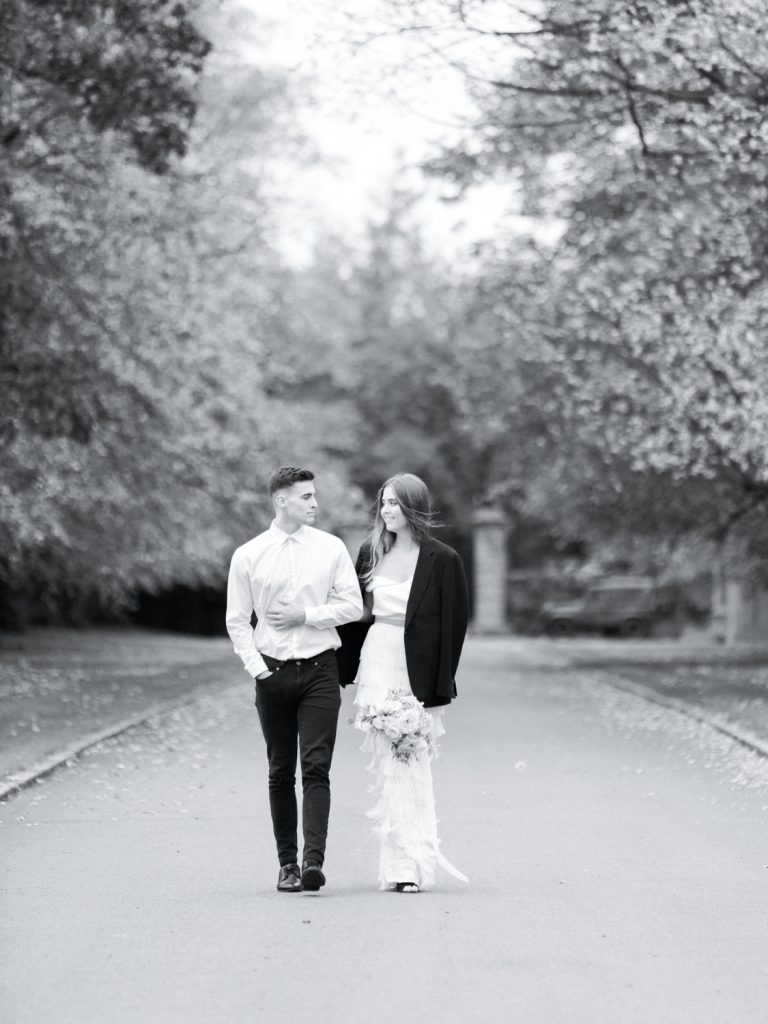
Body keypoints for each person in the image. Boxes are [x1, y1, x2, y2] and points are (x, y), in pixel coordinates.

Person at [226, 466, 363, 893]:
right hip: (273, 673)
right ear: (281, 500)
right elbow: (237, 620)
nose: (315, 503)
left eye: (314, 495)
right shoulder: (248, 555)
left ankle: (312, 864)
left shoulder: (331, 548)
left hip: (321, 668)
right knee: (280, 770)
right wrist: (258, 670)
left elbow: (352, 606)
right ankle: (286, 865)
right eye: (306, 496)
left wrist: (307, 615)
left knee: (317, 768)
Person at [337, 473, 470, 893]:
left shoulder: (443, 560)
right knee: (389, 758)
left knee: (413, 757)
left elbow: (455, 625)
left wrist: (440, 683)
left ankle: (415, 859)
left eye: (394, 503)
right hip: (378, 658)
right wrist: (342, 667)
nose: (386, 510)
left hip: (418, 667)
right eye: (383, 503)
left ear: (412, 506)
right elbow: (355, 614)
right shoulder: (370, 552)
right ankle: (400, 865)